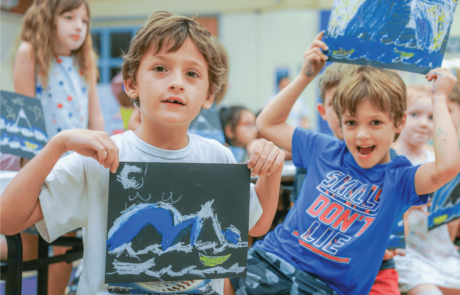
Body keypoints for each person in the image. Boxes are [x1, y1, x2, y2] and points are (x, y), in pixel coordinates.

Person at [0, 11, 285, 295]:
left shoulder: (217, 157)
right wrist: (57, 145)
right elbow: (8, 219)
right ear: (131, 84)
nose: (177, 82)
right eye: (160, 68)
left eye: (192, 73)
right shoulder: (102, 159)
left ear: (209, 95)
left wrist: (271, 168)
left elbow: (257, 224)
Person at [226, 32, 460, 295]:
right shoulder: (323, 148)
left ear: (399, 123)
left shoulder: (401, 178)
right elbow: (267, 123)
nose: (361, 134)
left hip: (325, 288)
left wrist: (439, 98)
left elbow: (448, 166)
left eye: (375, 122)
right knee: (211, 281)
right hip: (270, 260)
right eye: (351, 122)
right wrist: (306, 76)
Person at [0, 0, 104, 294]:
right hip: (39, 157)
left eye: (84, 21)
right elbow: (26, 115)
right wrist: (39, 164)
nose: (78, 27)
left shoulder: (86, 61)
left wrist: (104, 148)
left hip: (75, 160)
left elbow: (94, 115)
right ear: (48, 19)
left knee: (65, 240)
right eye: (69, 17)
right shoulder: (29, 52)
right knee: (29, 239)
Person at [289, 62, 403, 295]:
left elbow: (391, 245)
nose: (351, 110)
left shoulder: (389, 164)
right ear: (324, 111)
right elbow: (299, 225)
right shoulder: (315, 155)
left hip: (374, 273)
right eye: (338, 104)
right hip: (314, 272)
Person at [393, 86, 460, 295]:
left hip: (439, 251)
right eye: (415, 114)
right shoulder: (389, 161)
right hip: (405, 255)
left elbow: (450, 221)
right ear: (399, 117)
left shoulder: (440, 161)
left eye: (432, 117)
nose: (424, 123)